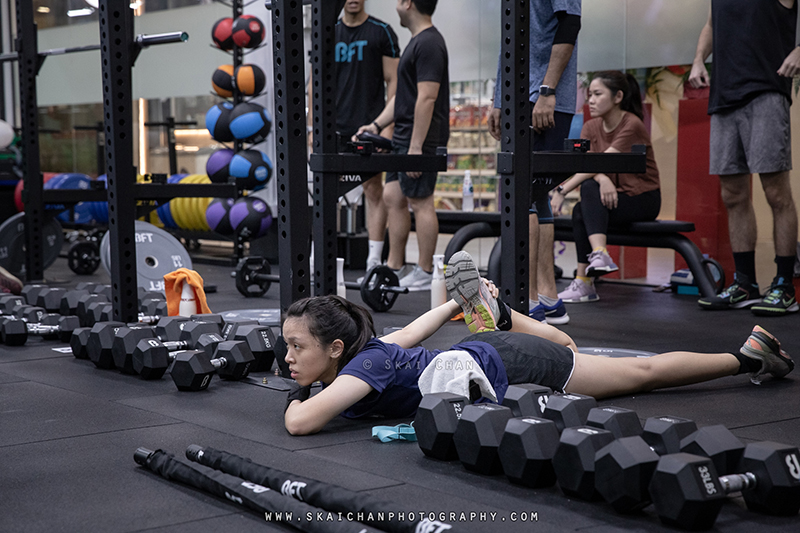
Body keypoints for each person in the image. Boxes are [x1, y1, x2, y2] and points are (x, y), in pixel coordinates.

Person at [282, 251, 793, 436]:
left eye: (296, 348)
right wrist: (455, 306)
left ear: (335, 350)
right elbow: (410, 333)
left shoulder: (360, 370)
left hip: (508, 361)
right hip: (484, 354)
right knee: (566, 350)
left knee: (637, 373)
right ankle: (500, 315)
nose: (286, 359)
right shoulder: (369, 352)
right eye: (286, 347)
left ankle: (745, 356)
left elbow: (300, 423)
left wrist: (301, 396)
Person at [688, 0, 800, 316]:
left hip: (766, 89)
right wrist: (698, 60)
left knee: (777, 193)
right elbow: (711, 26)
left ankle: (784, 286)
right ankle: (745, 284)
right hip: (724, 96)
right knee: (733, 195)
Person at [488, 0, 582, 325]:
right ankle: (548, 299)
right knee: (535, 193)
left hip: (541, 96)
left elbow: (570, 24)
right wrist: (498, 99)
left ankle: (526, 302)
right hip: (518, 96)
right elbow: (511, 41)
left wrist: (547, 89)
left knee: (524, 191)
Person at [356, 0, 449, 291]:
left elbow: (427, 98)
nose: (395, 5)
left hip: (420, 139)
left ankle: (425, 270)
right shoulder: (415, 42)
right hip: (403, 138)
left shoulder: (430, 43)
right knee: (392, 197)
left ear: (408, 3)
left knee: (421, 202)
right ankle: (394, 267)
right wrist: (376, 125)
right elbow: (403, 98)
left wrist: (416, 147)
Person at [550, 71, 660, 303]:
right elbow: (591, 166)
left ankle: (596, 260)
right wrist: (603, 178)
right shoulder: (590, 127)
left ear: (618, 96)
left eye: (598, 94)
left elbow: (602, 161)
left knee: (588, 188)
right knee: (582, 205)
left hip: (642, 199)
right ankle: (587, 278)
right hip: (610, 198)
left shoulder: (632, 124)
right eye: (589, 94)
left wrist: (562, 190)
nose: (591, 100)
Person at [308, 0, 400, 274]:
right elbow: (314, 82)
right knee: (326, 192)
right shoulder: (327, 31)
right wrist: (313, 126)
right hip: (331, 127)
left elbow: (394, 81)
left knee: (373, 190)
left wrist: (387, 127)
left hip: (369, 126)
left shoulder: (381, 31)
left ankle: (373, 260)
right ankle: (318, 256)